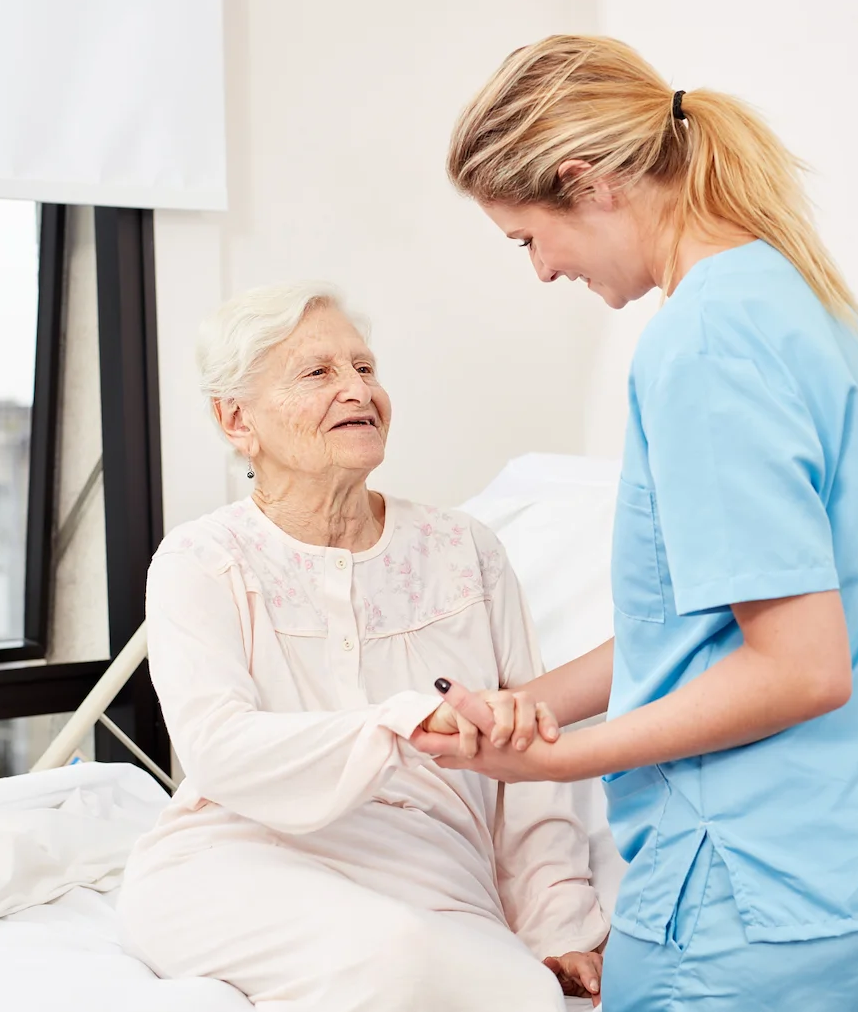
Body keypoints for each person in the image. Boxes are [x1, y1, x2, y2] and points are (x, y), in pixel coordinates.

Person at [424, 36, 858, 1011]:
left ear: (585, 182)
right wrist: (527, 702)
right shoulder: (806, 298)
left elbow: (798, 666)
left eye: (525, 238)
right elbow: (702, 623)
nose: (541, 271)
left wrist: (550, 761)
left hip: (761, 893)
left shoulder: (704, 341)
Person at [116, 281, 608, 1011]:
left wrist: (557, 924)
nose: (358, 390)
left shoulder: (464, 550)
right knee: (394, 957)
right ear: (235, 418)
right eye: (318, 373)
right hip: (236, 859)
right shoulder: (200, 559)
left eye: (366, 368)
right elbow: (219, 747)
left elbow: (529, 758)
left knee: (523, 993)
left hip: (433, 876)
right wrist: (404, 723)